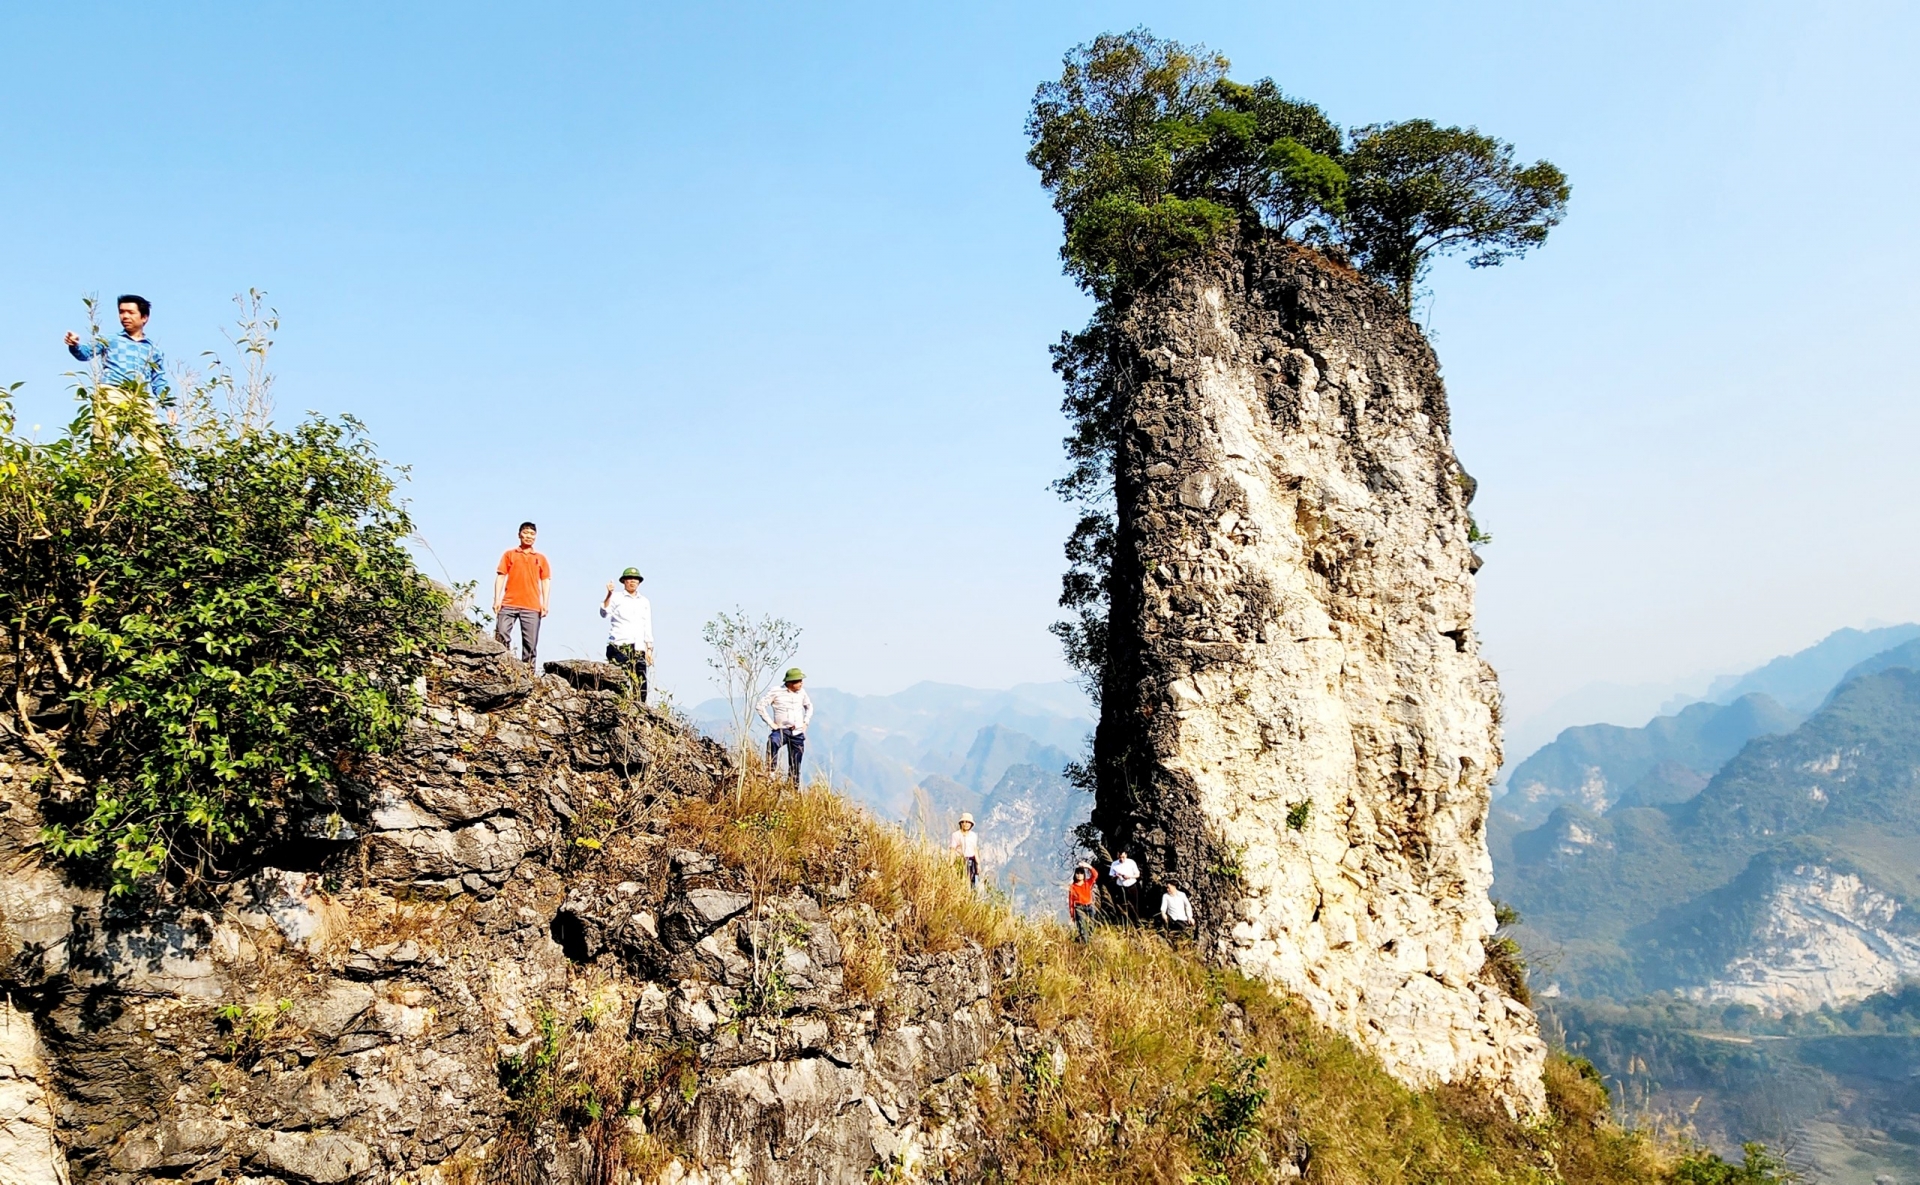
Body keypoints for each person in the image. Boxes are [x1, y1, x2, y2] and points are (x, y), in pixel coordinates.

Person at [65, 295, 170, 396]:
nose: (125, 316)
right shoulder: (109, 340)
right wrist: (75, 345)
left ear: (144, 317)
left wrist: (169, 406)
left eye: (131, 312)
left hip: (139, 397)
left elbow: (159, 381)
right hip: (112, 393)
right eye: (121, 312)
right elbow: (85, 353)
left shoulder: (153, 350)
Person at [492, 522, 550, 667]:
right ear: (519, 535)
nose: (529, 536)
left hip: (532, 606)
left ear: (535, 537)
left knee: (530, 644)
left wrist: (545, 604)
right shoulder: (509, 554)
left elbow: (545, 581)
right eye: (526, 533)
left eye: (532, 534)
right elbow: (501, 576)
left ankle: (528, 674)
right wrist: (497, 599)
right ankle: (503, 666)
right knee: (501, 635)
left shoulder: (540, 558)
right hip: (508, 603)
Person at [600, 567, 653, 701]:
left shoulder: (644, 601)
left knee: (640, 683)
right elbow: (604, 613)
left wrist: (649, 648)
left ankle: (639, 711)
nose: (632, 582)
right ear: (624, 581)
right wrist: (608, 594)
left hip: (638, 646)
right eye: (629, 579)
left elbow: (647, 624)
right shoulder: (616, 597)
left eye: (635, 579)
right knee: (619, 681)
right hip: (620, 644)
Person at [758, 668, 812, 782]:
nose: (801, 683)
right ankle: (770, 772)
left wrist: (805, 722)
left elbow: (809, 706)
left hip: (797, 732)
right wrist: (772, 724)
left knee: (795, 765)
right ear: (790, 682)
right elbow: (760, 706)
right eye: (799, 681)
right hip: (782, 729)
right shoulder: (776, 691)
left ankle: (793, 789)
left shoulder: (802, 693)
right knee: (773, 742)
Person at [1109, 850, 1141, 921]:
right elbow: (1111, 875)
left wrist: (1129, 876)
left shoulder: (1131, 862)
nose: (1121, 859)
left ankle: (1136, 922)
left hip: (1131, 885)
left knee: (1133, 905)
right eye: (1120, 857)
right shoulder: (1114, 864)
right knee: (1122, 905)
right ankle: (1124, 921)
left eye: (1123, 857)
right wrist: (1115, 876)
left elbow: (1137, 875)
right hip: (1120, 887)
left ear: (1126, 855)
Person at [950, 812, 980, 891]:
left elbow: (975, 849)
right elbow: (953, 849)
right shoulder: (956, 835)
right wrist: (951, 863)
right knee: (960, 880)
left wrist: (978, 864)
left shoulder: (973, 835)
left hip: (971, 860)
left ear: (971, 824)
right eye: (964, 822)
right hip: (960, 860)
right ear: (961, 823)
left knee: (972, 882)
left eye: (968, 822)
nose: (966, 824)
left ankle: (971, 899)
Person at [1067, 865, 1096, 942]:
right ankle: (1085, 944)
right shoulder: (1072, 887)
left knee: (1091, 927)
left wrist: (1087, 866)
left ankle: (1084, 941)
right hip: (1079, 908)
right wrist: (1072, 915)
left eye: (1081, 873)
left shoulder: (1088, 883)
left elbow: (1095, 875)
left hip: (1089, 907)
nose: (1079, 875)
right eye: (1077, 873)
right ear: (1075, 875)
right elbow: (1071, 902)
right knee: (1082, 928)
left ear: (1084, 875)